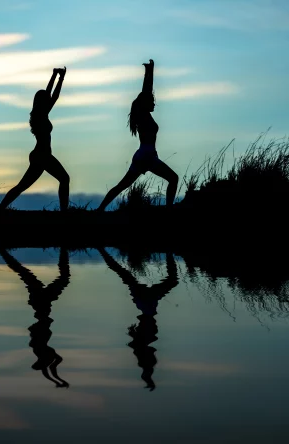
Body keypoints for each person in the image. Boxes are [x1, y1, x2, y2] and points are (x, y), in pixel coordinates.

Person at [98, 59, 178, 210]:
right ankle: (169, 209)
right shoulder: (142, 114)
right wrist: (150, 71)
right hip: (146, 155)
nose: (154, 103)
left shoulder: (144, 115)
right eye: (152, 101)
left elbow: (147, 92)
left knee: (121, 186)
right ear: (145, 103)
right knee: (173, 178)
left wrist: (149, 71)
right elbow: (147, 90)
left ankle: (99, 209)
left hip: (145, 155)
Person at [98, 247, 178, 390]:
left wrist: (148, 376)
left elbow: (146, 361)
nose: (153, 353)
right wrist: (148, 377)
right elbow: (145, 359)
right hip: (146, 302)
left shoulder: (145, 342)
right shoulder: (143, 344)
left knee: (125, 274)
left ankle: (169, 252)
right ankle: (169, 252)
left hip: (147, 302)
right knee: (124, 274)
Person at [0, 67, 70, 210]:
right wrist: (61, 78)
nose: (49, 99)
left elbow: (48, 93)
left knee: (22, 186)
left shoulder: (39, 113)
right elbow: (54, 95)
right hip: (42, 155)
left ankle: (0, 208)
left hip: (40, 155)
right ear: (42, 102)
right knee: (64, 179)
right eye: (46, 99)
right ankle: (64, 212)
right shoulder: (40, 115)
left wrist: (55, 75)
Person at [0, 247, 71, 388]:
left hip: (41, 303)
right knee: (26, 274)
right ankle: (64, 249)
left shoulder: (40, 350)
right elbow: (51, 368)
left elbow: (50, 368)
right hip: (42, 303)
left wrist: (58, 381)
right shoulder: (46, 354)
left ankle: (2, 252)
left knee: (26, 274)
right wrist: (58, 381)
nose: (45, 365)